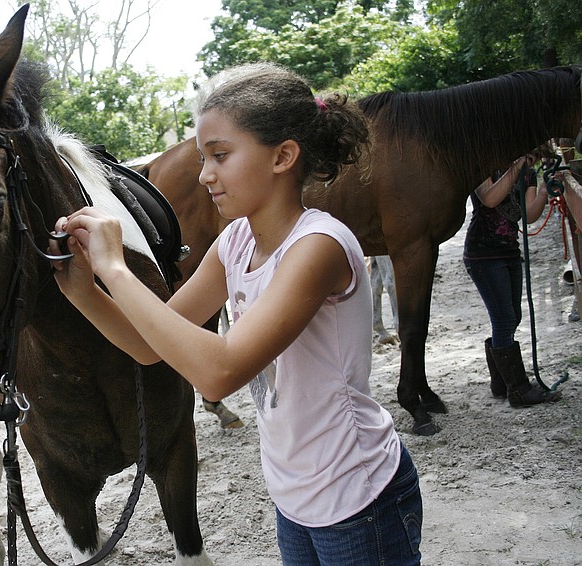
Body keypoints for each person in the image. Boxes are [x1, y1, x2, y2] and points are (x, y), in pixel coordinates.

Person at [50, 63, 422, 565]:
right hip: (295, 498)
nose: (204, 174)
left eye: (220, 155)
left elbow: (219, 372)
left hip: (359, 497)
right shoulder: (237, 241)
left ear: (283, 156)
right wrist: (83, 293)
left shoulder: (318, 247)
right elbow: (150, 346)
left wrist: (115, 270)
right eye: (204, 157)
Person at [464, 154, 561, 406]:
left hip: (509, 251)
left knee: (512, 316)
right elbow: (489, 198)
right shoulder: (482, 163)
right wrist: (517, 166)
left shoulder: (526, 171)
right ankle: (518, 389)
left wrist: (542, 189)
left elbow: (527, 215)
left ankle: (500, 381)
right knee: (504, 319)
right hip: (483, 254)